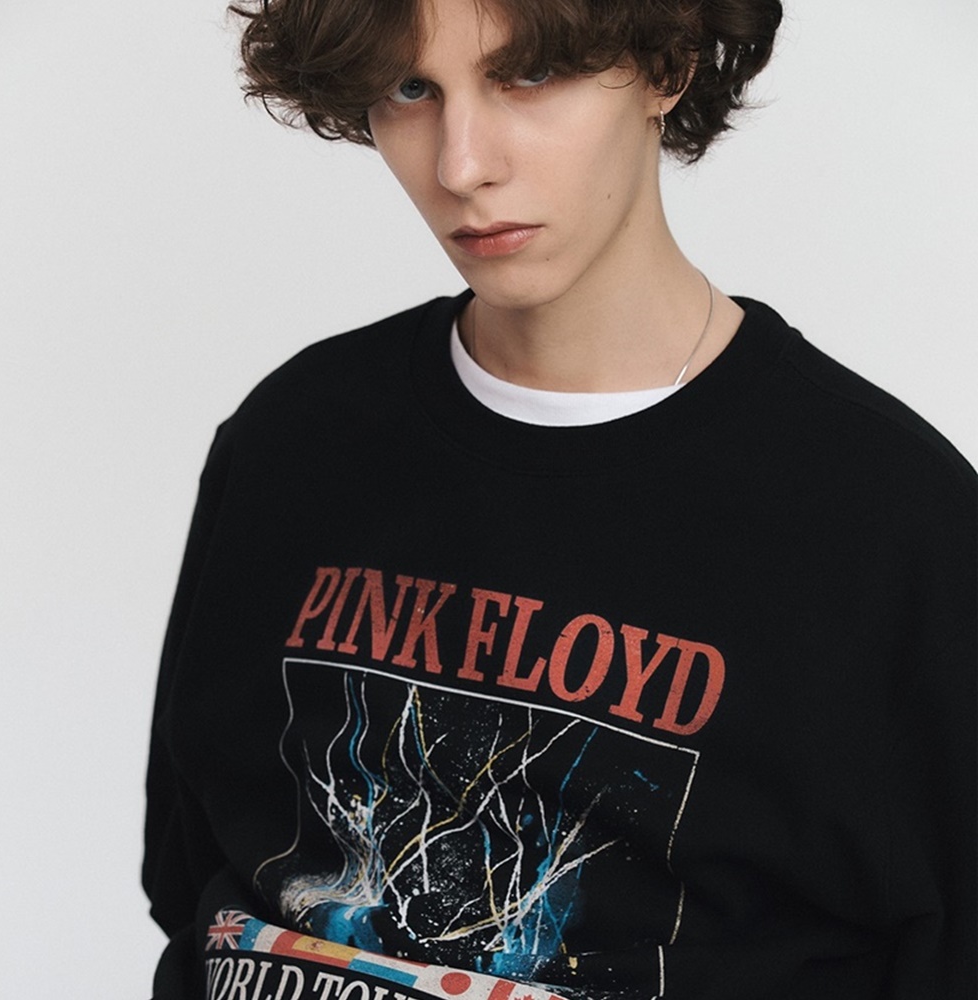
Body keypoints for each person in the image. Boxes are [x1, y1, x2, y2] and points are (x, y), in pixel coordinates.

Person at [143, 1, 977, 997]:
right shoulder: (294, 437)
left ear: (667, 66)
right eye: (411, 89)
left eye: (528, 76)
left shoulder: (889, 523)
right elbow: (192, 866)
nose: (461, 165)